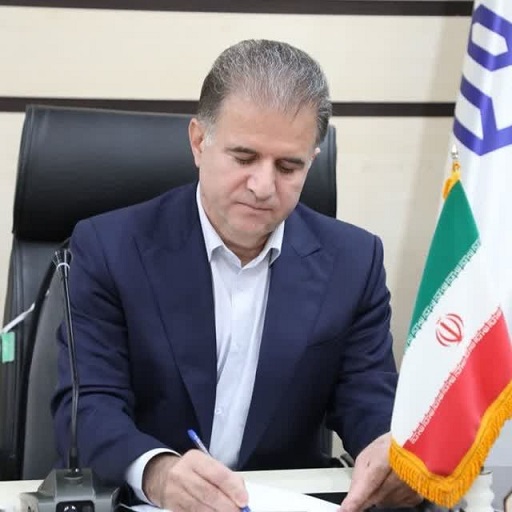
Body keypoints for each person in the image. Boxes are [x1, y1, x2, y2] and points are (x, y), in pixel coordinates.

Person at [51, 39, 421, 512]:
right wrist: (158, 472)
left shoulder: (354, 260)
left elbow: (368, 397)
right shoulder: (109, 248)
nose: (263, 186)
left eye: (289, 166)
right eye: (244, 158)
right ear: (198, 142)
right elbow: (87, 407)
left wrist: (389, 450)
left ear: (312, 159)